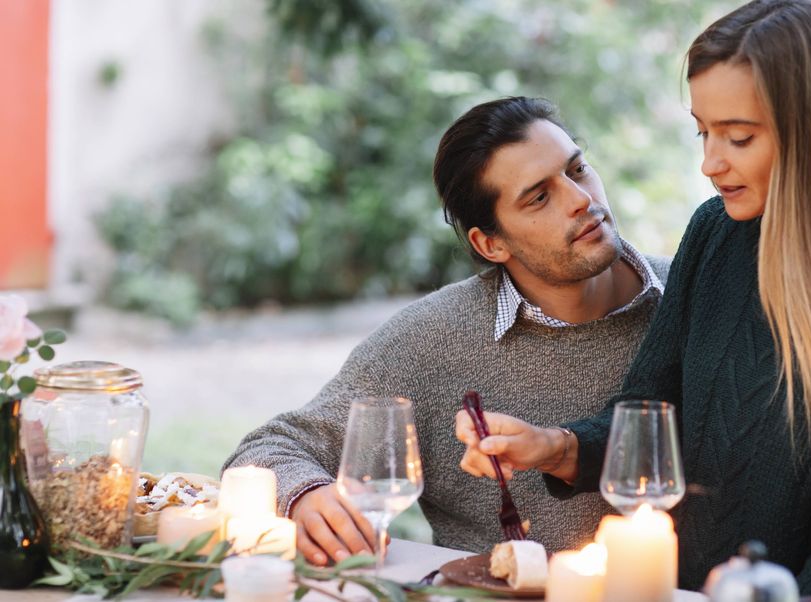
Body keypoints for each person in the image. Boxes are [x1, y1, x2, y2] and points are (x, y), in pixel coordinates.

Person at [454, 2, 811, 600]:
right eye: (702, 131)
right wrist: (556, 447)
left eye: (738, 137)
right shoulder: (717, 233)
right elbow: (650, 420)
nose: (710, 162)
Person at [223, 96, 671, 566]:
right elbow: (267, 450)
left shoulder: (695, 293)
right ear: (490, 243)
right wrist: (307, 496)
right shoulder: (429, 340)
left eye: (577, 170)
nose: (582, 200)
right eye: (539, 197)